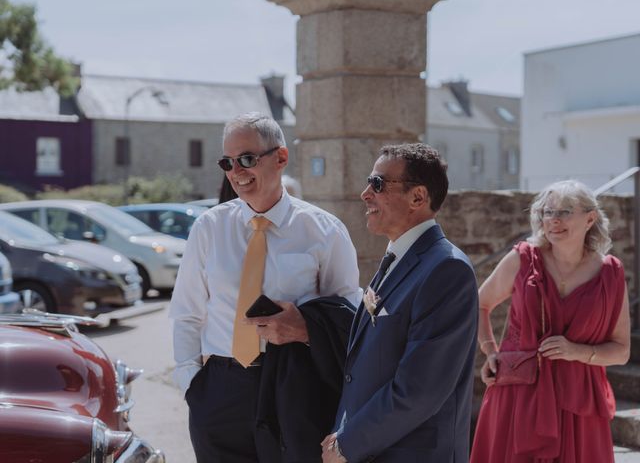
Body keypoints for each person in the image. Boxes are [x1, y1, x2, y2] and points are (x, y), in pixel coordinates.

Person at [170, 112, 361, 462]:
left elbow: (349, 319)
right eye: (227, 162)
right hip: (219, 389)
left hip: (294, 384)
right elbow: (186, 312)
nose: (237, 172)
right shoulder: (209, 228)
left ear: (281, 158)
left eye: (247, 159)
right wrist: (192, 386)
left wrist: (305, 328)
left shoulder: (325, 231)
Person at [322, 143, 479, 463]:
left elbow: (420, 390)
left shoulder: (447, 269)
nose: (366, 193)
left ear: (418, 197)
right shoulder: (399, 257)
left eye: (378, 183)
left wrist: (347, 445)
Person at [471, 180, 631, 463]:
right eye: (547, 212)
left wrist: (577, 351)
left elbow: (621, 351)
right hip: (519, 394)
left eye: (566, 211)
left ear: (590, 218)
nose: (554, 220)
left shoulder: (611, 273)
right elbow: (479, 304)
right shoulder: (522, 259)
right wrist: (490, 351)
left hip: (579, 402)